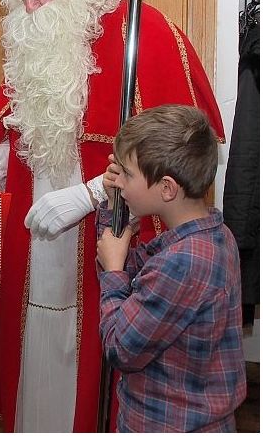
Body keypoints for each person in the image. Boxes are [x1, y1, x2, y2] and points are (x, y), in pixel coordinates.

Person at [0, 0, 226, 431]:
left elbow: (179, 159)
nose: (30, 6)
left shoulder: (144, 36)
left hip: (96, 245)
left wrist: (85, 195)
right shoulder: (32, 37)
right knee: (34, 358)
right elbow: (16, 127)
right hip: (32, 249)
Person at [96, 104, 246, 431]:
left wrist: (113, 273)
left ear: (166, 188)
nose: (120, 181)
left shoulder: (183, 261)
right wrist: (113, 209)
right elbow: (136, 276)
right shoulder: (213, 235)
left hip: (167, 423)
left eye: (128, 174)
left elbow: (120, 347)